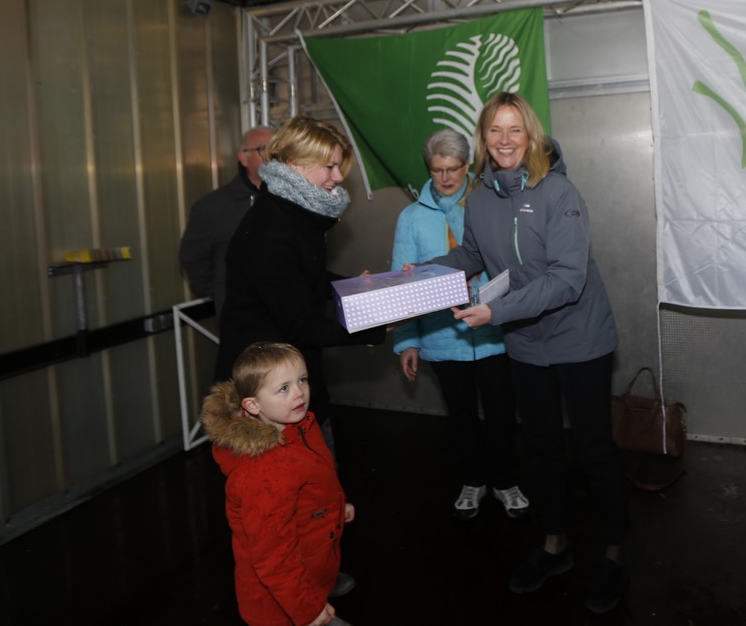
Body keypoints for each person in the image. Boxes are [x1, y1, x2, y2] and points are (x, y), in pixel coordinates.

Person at [421, 92, 630, 615]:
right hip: (526, 342)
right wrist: (420, 274)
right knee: (541, 448)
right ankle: (555, 546)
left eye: (515, 129)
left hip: (580, 339)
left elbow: (567, 279)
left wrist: (497, 311)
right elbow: (471, 255)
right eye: (495, 129)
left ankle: (616, 553)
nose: (505, 139)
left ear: (531, 134)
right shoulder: (479, 198)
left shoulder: (559, 191)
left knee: (594, 448)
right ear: (483, 138)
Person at [217, 117, 383, 456]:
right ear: (294, 164)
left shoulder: (295, 213)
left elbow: (308, 277)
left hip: (288, 378)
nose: (338, 177)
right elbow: (301, 327)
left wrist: (357, 286)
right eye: (329, 167)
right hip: (265, 391)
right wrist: (376, 323)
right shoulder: (272, 229)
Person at [390, 128, 529, 521]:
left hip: (495, 334)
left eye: (453, 169)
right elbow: (403, 283)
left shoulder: (488, 203)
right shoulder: (411, 218)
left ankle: (505, 481)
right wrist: (407, 340)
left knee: (502, 412)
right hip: (442, 336)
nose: (445, 177)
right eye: (437, 170)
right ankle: (472, 480)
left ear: (468, 166)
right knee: (461, 414)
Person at [201, 342, 354, 626]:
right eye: (283, 388)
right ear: (252, 405)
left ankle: (321, 588)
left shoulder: (298, 424)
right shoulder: (265, 474)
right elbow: (274, 558)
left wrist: (335, 503)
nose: (299, 392)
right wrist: (309, 610)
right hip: (280, 607)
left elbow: (315, 475)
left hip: (310, 559)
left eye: (302, 380)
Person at [179, 125, 275, 316]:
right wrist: (225, 293)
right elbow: (193, 260)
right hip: (242, 319)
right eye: (264, 149)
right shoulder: (212, 207)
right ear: (243, 158)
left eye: (278, 149)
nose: (273, 156)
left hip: (292, 317)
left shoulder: (293, 199)